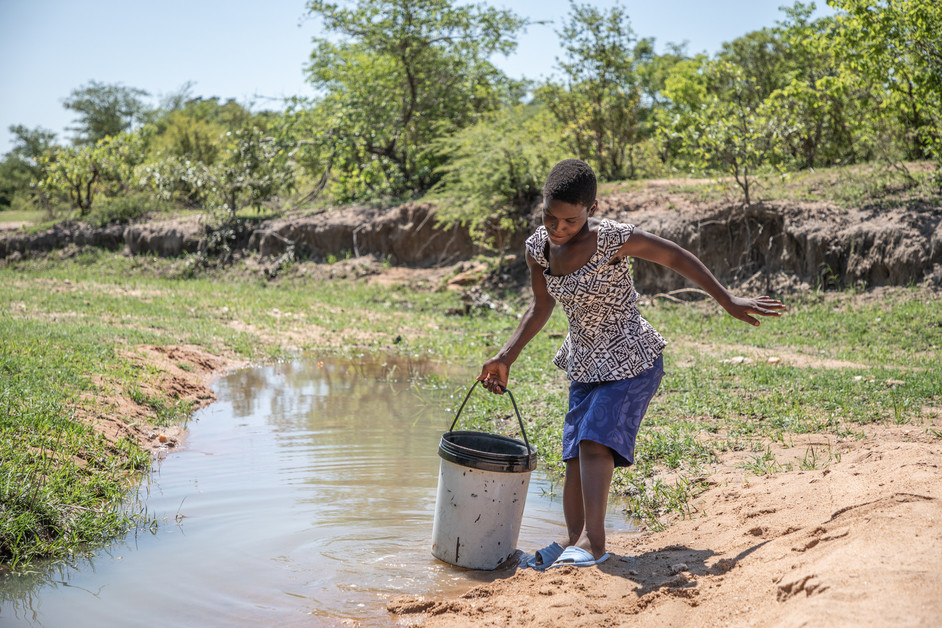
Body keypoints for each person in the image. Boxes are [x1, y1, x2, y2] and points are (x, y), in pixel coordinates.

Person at [477, 159, 785, 569]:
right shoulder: (539, 248)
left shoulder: (611, 239)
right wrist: (506, 356)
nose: (558, 227)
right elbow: (541, 305)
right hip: (585, 360)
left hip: (631, 357)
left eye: (570, 220)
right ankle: (572, 538)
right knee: (574, 452)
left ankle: (594, 543)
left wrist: (726, 299)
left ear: (591, 209)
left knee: (594, 441)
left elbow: (676, 257)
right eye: (550, 216)